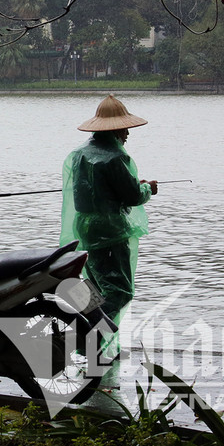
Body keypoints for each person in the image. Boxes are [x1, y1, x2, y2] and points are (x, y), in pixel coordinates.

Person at [60, 94, 157, 327]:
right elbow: (133, 196)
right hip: (110, 231)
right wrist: (147, 188)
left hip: (84, 228)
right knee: (120, 291)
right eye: (124, 129)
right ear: (114, 131)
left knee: (93, 286)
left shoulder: (79, 155)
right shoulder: (115, 158)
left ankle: (88, 342)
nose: (127, 134)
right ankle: (92, 335)